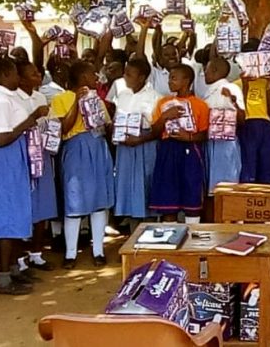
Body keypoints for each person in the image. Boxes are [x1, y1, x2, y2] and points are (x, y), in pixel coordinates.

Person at [0, 59, 49, 294]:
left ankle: (12, 270)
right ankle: (2, 277)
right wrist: (29, 121)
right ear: (3, 75)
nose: (17, 78)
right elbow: (1, 138)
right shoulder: (0, 100)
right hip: (5, 159)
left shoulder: (8, 97)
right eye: (13, 74)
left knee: (16, 212)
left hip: (14, 157)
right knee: (7, 215)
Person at [50, 61, 114, 269]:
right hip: (74, 150)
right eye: (90, 74)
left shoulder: (97, 99)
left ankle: (98, 251)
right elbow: (63, 128)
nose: (95, 77)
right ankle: (70, 253)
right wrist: (77, 102)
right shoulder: (61, 99)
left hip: (97, 148)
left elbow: (106, 126)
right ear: (82, 77)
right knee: (74, 201)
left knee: (98, 201)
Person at [149, 65, 209, 222]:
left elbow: (205, 133)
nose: (170, 82)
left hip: (190, 152)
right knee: (168, 196)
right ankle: (170, 239)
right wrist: (165, 117)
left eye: (174, 78)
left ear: (186, 81)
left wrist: (188, 137)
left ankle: (192, 237)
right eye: (169, 78)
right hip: (167, 151)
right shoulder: (163, 102)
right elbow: (154, 131)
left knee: (192, 194)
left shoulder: (200, 105)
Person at [15, 61, 57, 270]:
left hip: (42, 152)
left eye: (38, 73)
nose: (38, 77)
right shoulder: (15, 99)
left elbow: (48, 124)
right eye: (32, 74)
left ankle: (37, 252)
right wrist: (35, 116)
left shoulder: (40, 97)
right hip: (23, 155)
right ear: (20, 78)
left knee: (42, 202)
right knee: (24, 204)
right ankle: (20, 256)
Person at [112, 58, 161, 226]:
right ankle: (133, 233)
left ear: (141, 77)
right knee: (128, 189)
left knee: (145, 186)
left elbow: (158, 129)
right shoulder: (122, 95)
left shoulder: (154, 97)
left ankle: (149, 231)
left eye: (129, 74)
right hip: (125, 147)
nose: (125, 77)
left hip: (144, 145)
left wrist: (140, 139)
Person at [202, 57, 245, 194]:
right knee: (210, 185)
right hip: (209, 141)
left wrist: (233, 101)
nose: (204, 73)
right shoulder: (209, 91)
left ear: (214, 70)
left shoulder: (230, 88)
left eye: (207, 70)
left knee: (225, 186)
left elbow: (242, 118)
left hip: (225, 143)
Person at [239, 40, 270, 184]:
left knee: (267, 168)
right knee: (248, 167)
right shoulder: (237, 83)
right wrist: (244, 85)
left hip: (266, 126)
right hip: (247, 124)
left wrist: (269, 86)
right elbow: (240, 108)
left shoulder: (266, 82)